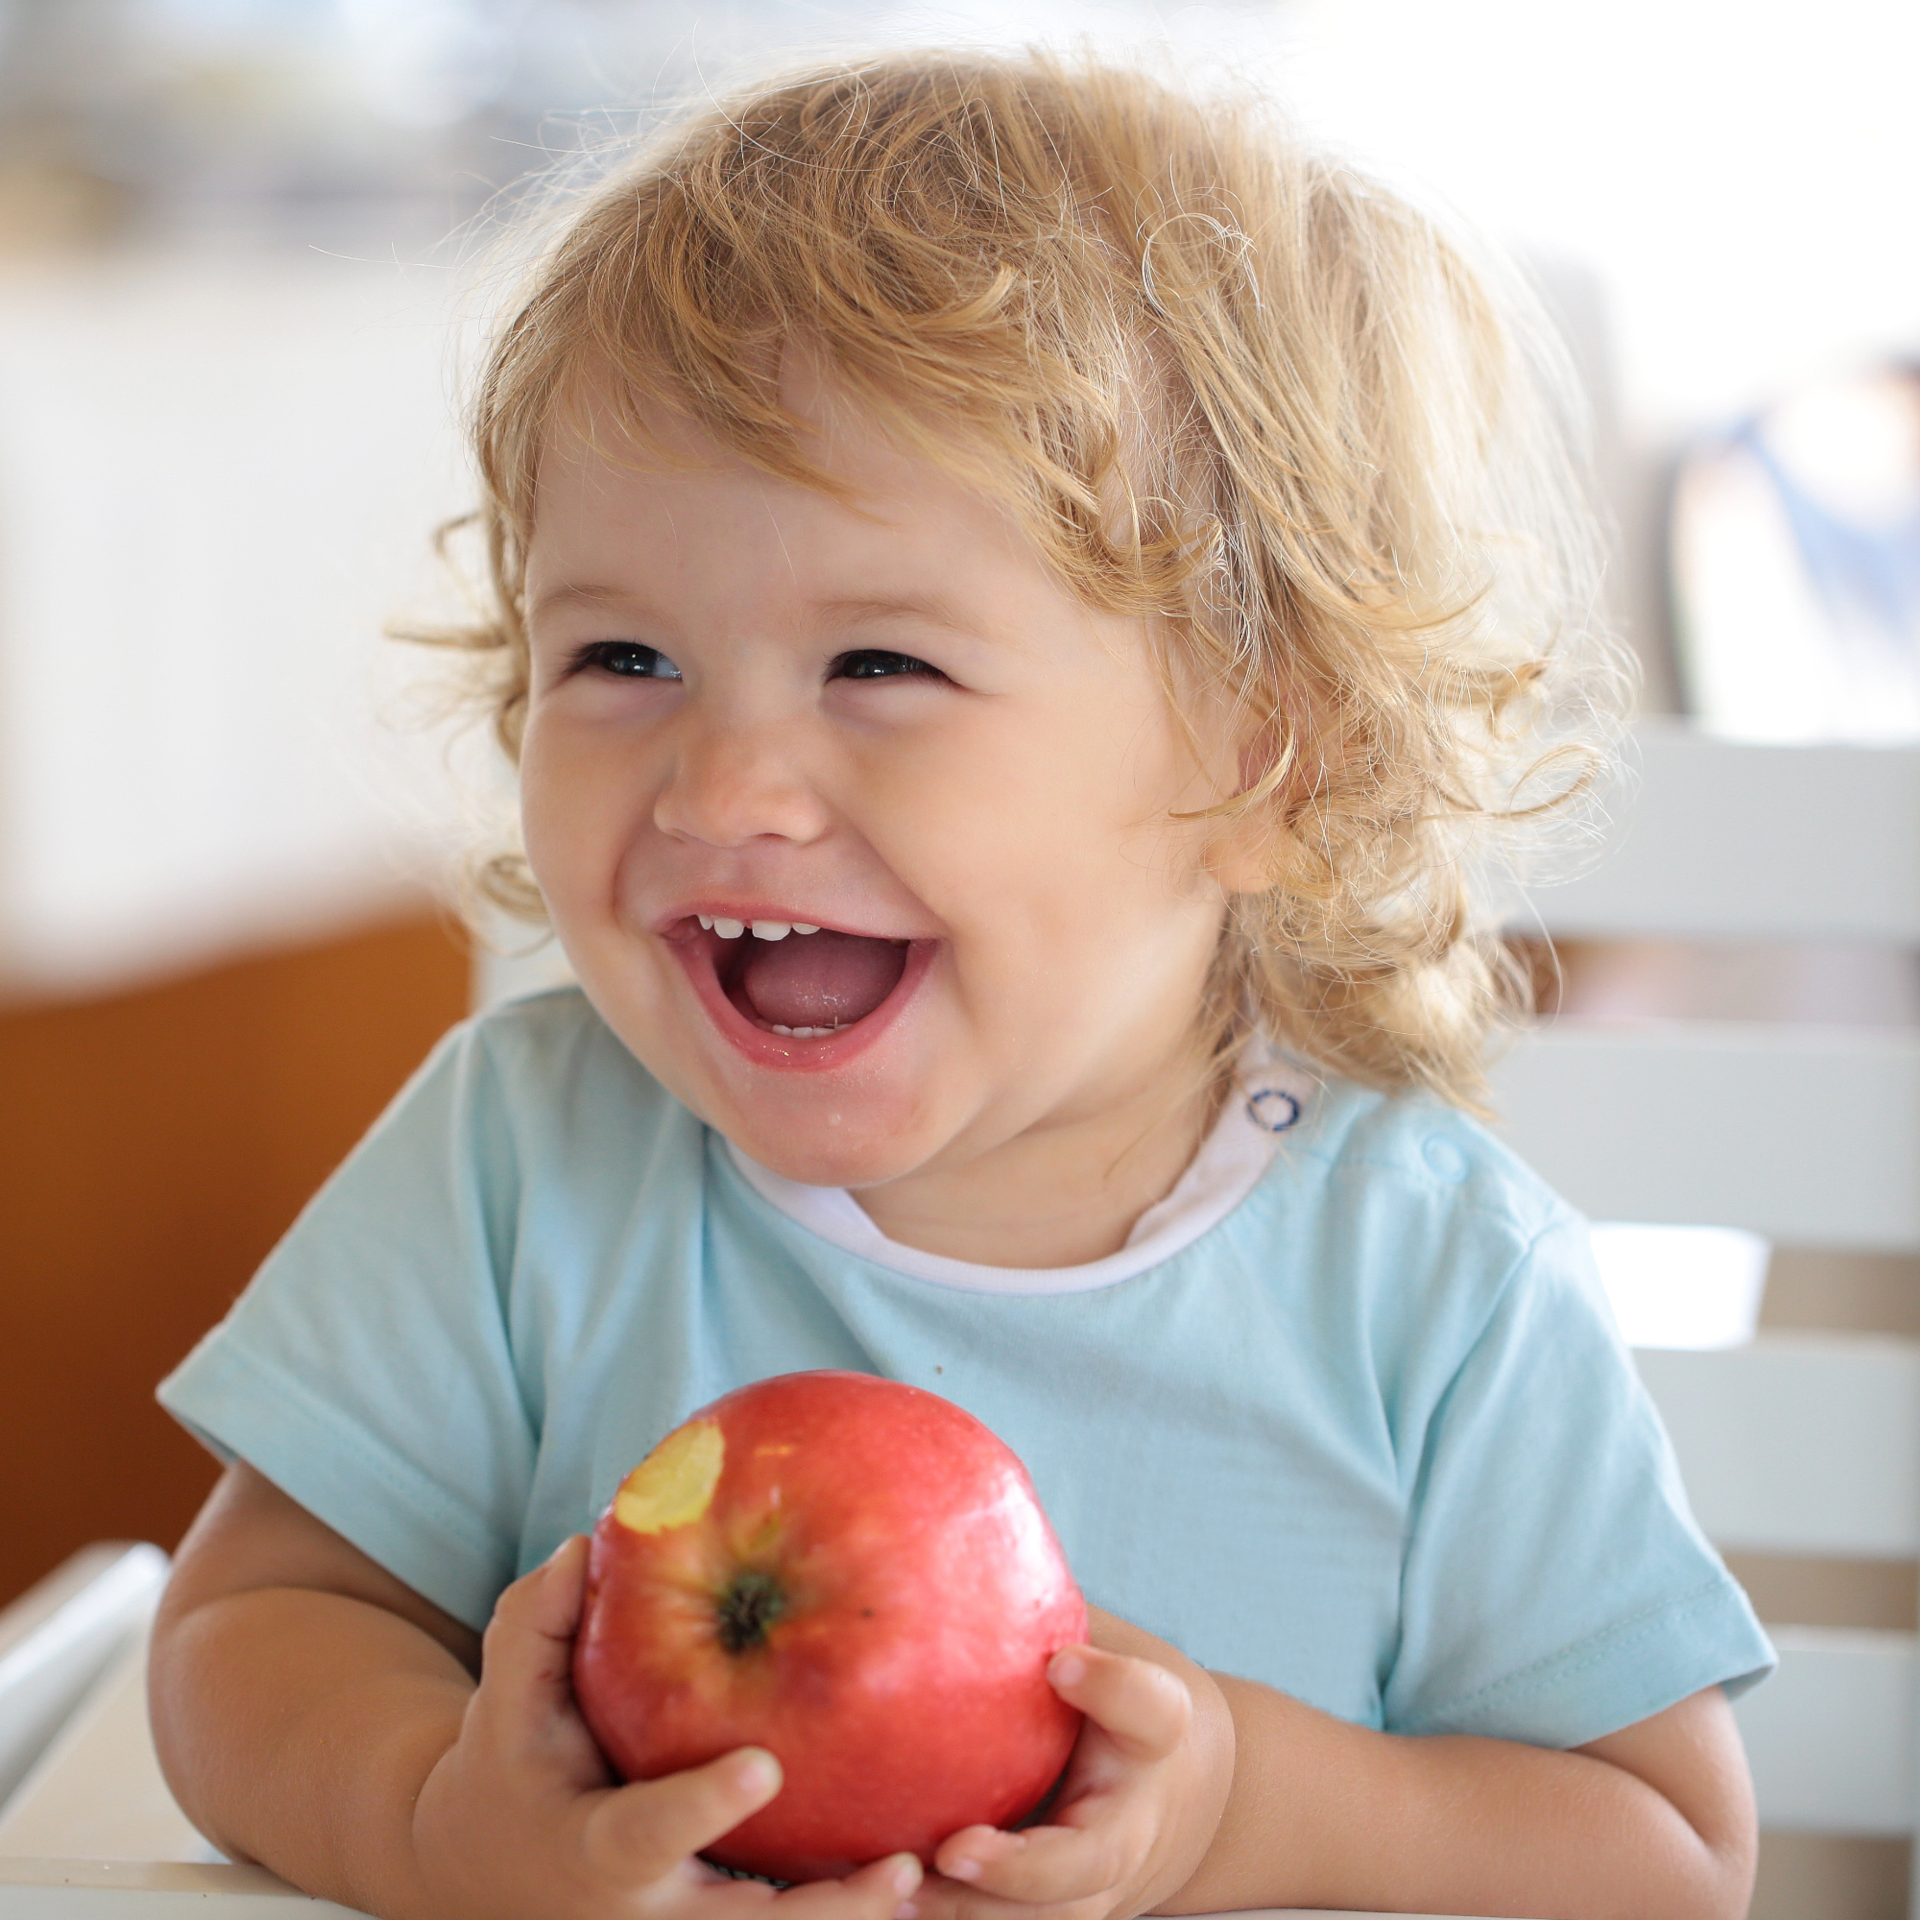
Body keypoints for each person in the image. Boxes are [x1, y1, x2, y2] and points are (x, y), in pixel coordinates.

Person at [148, 49, 1773, 1920]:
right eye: (622, 655)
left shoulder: (1430, 1279)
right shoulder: (525, 1161)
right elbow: (251, 1636)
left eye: (878, 666)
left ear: (1265, 760)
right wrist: (434, 1822)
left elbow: (1664, 1858)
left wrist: (1241, 1811)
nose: (724, 790)